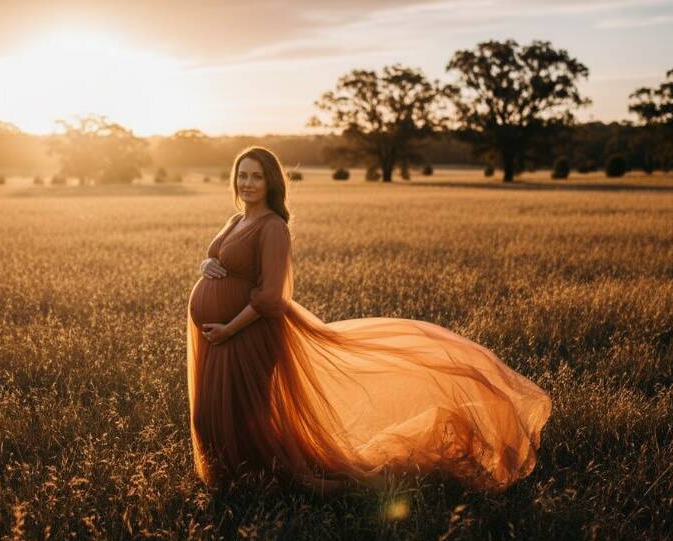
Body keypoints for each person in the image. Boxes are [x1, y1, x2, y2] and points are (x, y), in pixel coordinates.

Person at [186, 146, 552, 494]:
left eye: (256, 176)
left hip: (248, 333)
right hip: (219, 335)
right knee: (212, 411)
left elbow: (271, 297)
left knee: (242, 411)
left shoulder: (272, 227)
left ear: (271, 182)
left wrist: (229, 328)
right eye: (242, 175)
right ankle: (235, 478)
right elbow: (220, 257)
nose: (247, 183)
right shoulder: (237, 220)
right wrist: (207, 263)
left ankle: (264, 480)